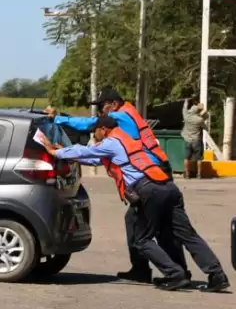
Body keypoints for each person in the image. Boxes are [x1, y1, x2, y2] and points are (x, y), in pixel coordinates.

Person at [38, 115, 229, 292]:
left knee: (142, 239)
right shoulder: (126, 139)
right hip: (168, 188)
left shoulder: (112, 142)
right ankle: (217, 275)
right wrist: (63, 152)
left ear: (103, 129)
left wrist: (56, 152)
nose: (93, 136)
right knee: (187, 235)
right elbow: (95, 159)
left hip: (149, 190)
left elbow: (87, 151)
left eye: (94, 132)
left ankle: (175, 273)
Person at [47, 87, 188, 284]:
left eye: (102, 107)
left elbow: (90, 126)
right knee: (149, 225)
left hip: (150, 178)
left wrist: (59, 120)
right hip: (153, 174)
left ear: (112, 104)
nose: (101, 113)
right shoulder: (127, 116)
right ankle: (156, 270)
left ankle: (173, 272)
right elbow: (94, 156)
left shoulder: (120, 117)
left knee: (151, 231)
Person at [181, 99, 209, 179]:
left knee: (187, 158)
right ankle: (199, 174)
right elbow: (206, 128)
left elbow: (184, 108)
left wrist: (186, 101)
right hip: (196, 140)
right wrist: (203, 116)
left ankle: (187, 174)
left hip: (187, 139)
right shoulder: (199, 120)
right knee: (199, 158)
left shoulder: (186, 116)